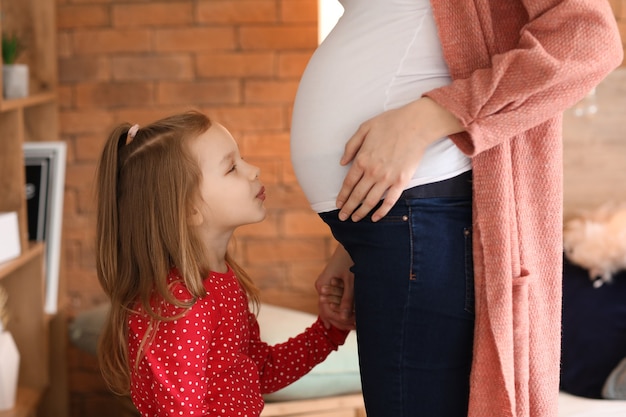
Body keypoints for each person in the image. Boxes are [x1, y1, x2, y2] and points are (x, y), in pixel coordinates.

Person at [291, 1, 624, 416]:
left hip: (428, 215)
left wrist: (432, 116)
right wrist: (353, 241)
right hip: (399, 220)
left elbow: (588, 39)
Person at [94, 111, 350, 416]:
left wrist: (328, 331)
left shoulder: (220, 282)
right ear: (189, 209)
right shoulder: (180, 305)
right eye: (232, 168)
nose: (253, 170)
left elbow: (259, 370)